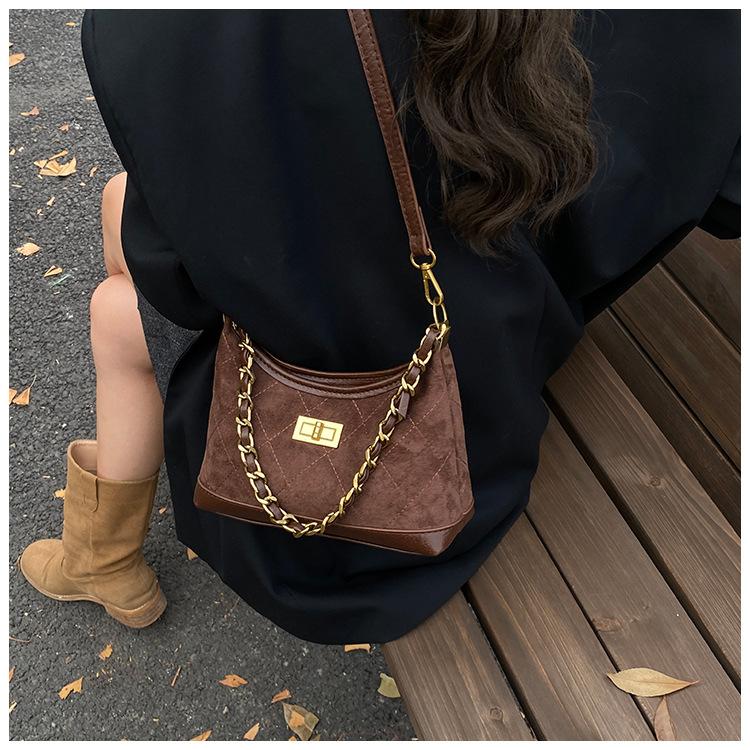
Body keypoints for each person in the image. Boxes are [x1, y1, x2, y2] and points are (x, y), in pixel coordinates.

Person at [20, 10, 739, 641]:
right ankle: (105, 551)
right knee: (121, 205)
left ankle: (103, 559)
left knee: (116, 309)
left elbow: (190, 283)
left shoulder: (169, 27)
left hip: (397, 454)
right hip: (499, 333)